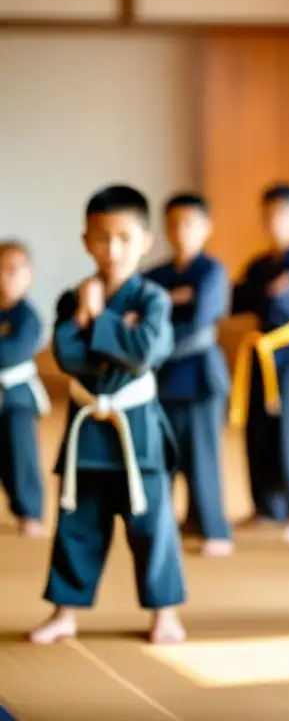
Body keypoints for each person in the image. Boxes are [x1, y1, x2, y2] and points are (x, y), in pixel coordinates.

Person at [29, 185, 186, 645]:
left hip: (138, 432)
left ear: (146, 240)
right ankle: (65, 611)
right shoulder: (69, 299)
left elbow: (143, 353)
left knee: (153, 526)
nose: (112, 249)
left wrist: (96, 320)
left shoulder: (153, 299)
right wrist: (93, 318)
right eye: (102, 238)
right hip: (87, 434)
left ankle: (165, 612)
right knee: (76, 524)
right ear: (85, 241)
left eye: (124, 238)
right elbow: (67, 355)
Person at [230, 183, 289, 545]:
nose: (275, 222)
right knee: (259, 431)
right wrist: (267, 292)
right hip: (260, 353)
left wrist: (267, 296)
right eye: (269, 215)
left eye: (284, 214)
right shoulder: (259, 264)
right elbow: (237, 300)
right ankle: (266, 506)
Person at [145, 193, 233, 557]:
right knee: (163, 456)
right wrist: (175, 298)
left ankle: (214, 529)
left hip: (200, 374)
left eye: (190, 222)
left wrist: (166, 306)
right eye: (174, 223)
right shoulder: (155, 275)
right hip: (162, 379)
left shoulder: (212, 271)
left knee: (203, 456)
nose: (181, 231)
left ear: (206, 227)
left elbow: (200, 319)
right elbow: (140, 316)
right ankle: (167, 524)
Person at [0, 240, 49, 538]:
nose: (5, 277)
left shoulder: (28, 316)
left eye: (12, 270)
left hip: (18, 397)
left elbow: (11, 353)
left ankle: (31, 511)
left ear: (27, 275)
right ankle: (16, 506)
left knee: (22, 455)